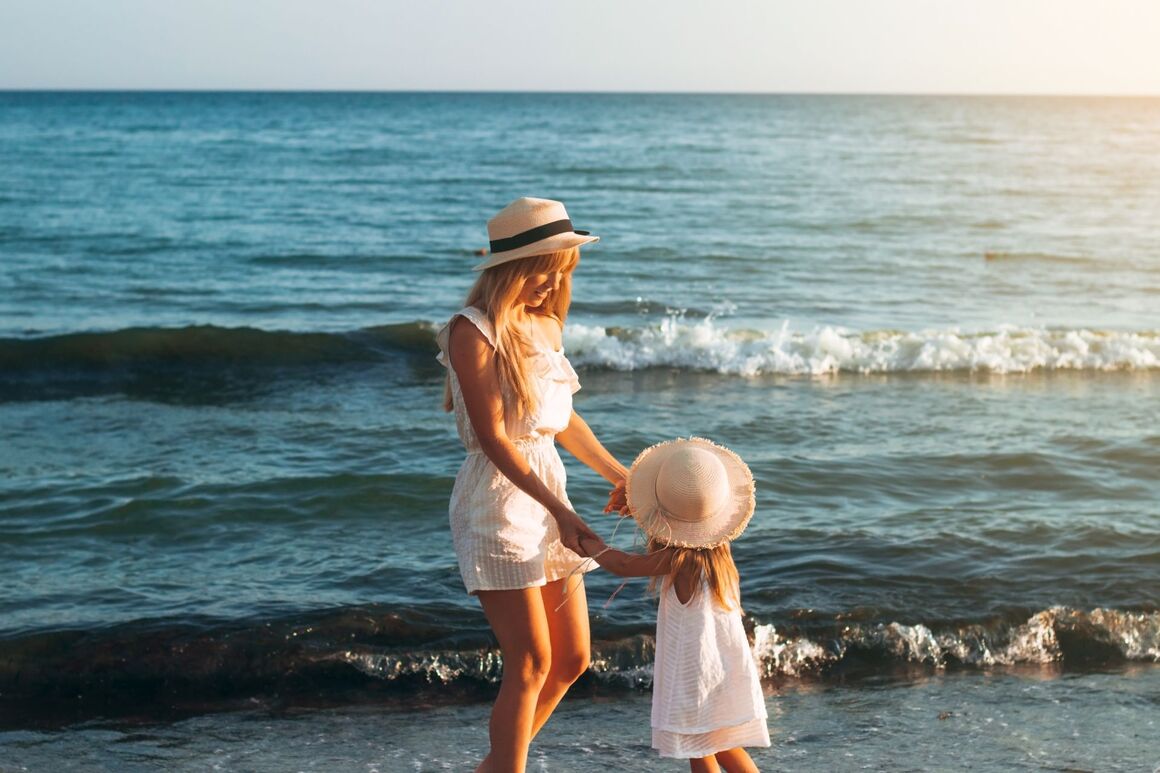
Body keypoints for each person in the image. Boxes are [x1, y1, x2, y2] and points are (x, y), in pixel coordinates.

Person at [435, 197, 630, 773]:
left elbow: (561, 420)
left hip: (547, 488)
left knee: (571, 659)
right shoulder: (472, 330)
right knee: (529, 662)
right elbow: (495, 439)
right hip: (497, 499)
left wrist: (621, 475)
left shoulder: (546, 325)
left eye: (562, 269)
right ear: (512, 267)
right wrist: (562, 513)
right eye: (544, 269)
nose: (553, 282)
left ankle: (495, 767)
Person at [580, 437, 770, 773]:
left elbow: (623, 565)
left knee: (700, 747)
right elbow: (677, 528)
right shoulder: (719, 554)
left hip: (695, 675)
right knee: (723, 746)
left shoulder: (679, 560)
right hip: (724, 669)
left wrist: (587, 544)